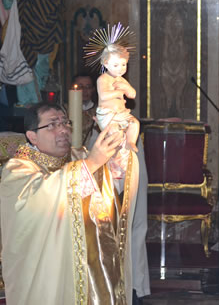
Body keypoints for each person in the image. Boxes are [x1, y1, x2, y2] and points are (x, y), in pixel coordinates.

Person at [0, 102, 140, 304]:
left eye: (65, 123)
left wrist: (124, 146)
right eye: (52, 125)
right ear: (32, 136)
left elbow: (114, 183)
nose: (63, 130)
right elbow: (39, 204)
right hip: (48, 272)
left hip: (89, 269)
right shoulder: (18, 170)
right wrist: (92, 163)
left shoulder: (78, 156)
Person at [75, 74, 151, 303]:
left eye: (90, 87)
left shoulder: (125, 121)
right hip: (98, 188)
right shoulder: (87, 116)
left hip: (123, 176)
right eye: (84, 88)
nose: (87, 91)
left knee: (131, 228)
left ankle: (134, 287)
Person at [0, 0, 64, 105]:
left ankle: (38, 111)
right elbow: (6, 3)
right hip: (21, 34)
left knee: (38, 77)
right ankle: (26, 113)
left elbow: (53, 3)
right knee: (22, 77)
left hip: (41, 36)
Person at [96, 44, 140, 153]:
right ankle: (115, 148)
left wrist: (126, 87)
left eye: (124, 64)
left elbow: (133, 94)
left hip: (121, 113)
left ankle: (130, 142)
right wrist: (118, 92)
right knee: (115, 131)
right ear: (106, 64)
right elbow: (103, 96)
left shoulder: (121, 80)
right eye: (116, 65)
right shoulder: (103, 79)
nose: (120, 69)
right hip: (108, 114)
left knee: (134, 123)